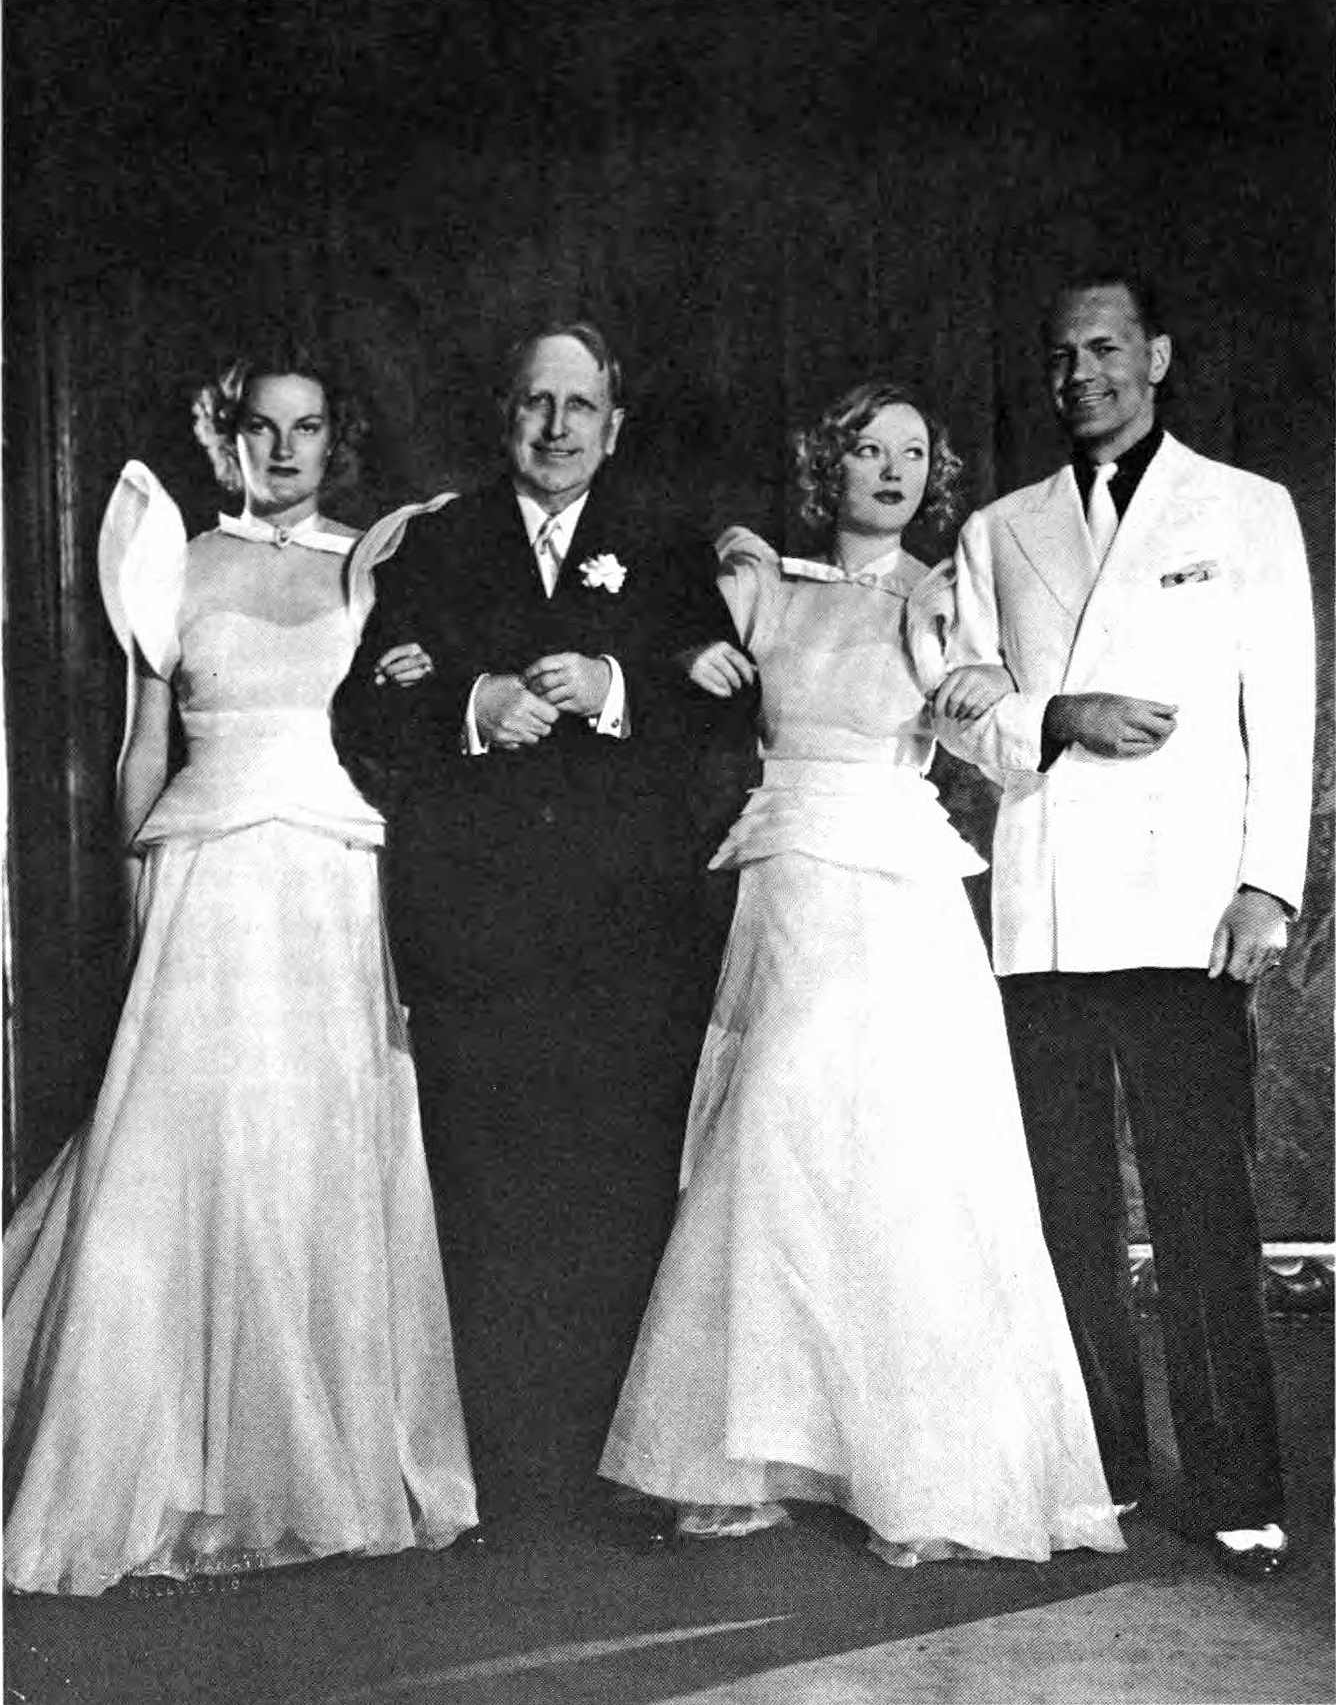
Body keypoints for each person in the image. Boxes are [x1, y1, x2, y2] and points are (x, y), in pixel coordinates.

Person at [597, 381, 1125, 1568]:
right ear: (825, 464)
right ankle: (755, 1455)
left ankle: (918, 1468)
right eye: (867, 449)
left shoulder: (945, 593)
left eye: (912, 453)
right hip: (787, 869)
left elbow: (997, 744)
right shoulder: (763, 583)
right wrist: (686, 648)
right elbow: (662, 650)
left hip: (897, 882)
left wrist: (1011, 697)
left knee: (903, 1155)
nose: (891, 469)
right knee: (773, 1140)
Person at [3, 348, 477, 1596]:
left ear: (333, 440)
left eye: (306, 428)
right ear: (227, 438)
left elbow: (394, 733)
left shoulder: (369, 564)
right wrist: (135, 899)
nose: (283, 449)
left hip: (324, 874)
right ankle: (177, 1474)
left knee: (310, 1142)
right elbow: (141, 747)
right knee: (196, 1145)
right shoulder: (172, 561)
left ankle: (313, 1465)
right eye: (261, 427)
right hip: (205, 877)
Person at [932, 271, 1315, 1578]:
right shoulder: (998, 528)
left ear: (1156, 355)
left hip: (1187, 906)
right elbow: (958, 706)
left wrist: (1267, 883)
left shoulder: (1245, 509)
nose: (1081, 374)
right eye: (1060, 355)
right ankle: (1097, 1461)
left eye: (1104, 347)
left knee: (1204, 1202)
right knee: (1067, 1205)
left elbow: (1284, 707)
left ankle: (1236, 1483)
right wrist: (1060, 714)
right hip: (1045, 911)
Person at [334, 321, 740, 1531]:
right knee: (486, 1192)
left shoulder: (666, 545)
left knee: (618, 1190)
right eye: (535, 404)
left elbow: (732, 717)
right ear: (505, 415)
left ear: (614, 425)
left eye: (579, 407)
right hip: (479, 934)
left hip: (629, 937)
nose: (556, 428)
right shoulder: (439, 542)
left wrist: (618, 692)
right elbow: (365, 709)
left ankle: (615, 1471)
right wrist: (476, 702)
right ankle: (504, 1478)